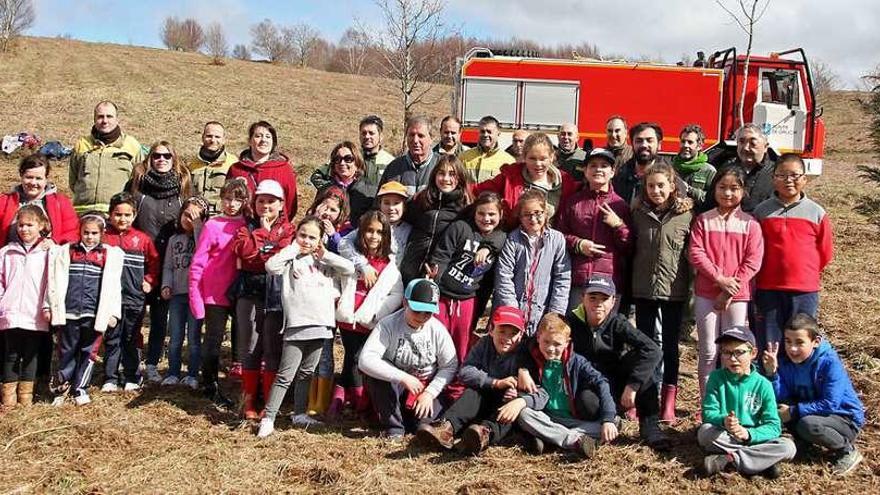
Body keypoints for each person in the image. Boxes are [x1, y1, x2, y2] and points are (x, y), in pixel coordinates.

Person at [256, 216, 355, 437]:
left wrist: (326, 255)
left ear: (320, 240)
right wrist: (292, 249)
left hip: (323, 325)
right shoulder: (291, 260)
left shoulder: (326, 262)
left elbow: (349, 268)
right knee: (286, 374)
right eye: (303, 235)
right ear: (295, 236)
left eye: (312, 237)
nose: (307, 241)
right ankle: (269, 417)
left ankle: (299, 413)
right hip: (297, 325)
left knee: (307, 372)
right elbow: (271, 266)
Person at [415, 306, 537, 455]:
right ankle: (447, 428)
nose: (507, 338)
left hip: (504, 406)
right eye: (502, 332)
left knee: (509, 408)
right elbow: (465, 371)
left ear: (521, 335)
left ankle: (484, 434)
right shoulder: (484, 344)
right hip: (483, 397)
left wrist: (518, 393)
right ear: (491, 330)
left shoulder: (525, 353)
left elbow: (534, 388)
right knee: (472, 392)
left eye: (513, 334)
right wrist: (495, 382)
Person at [566, 275, 669, 449]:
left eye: (604, 299)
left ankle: (650, 426)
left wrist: (633, 385)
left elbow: (653, 350)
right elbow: (539, 342)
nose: (598, 304)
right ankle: (608, 421)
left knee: (643, 363)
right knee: (587, 405)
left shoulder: (617, 322)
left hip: (617, 383)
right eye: (592, 298)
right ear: (582, 297)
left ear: (613, 301)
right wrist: (523, 370)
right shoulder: (570, 322)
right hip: (589, 384)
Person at [689, 166, 763, 403]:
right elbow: (696, 252)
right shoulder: (703, 220)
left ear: (743, 191)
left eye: (734, 188)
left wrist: (731, 288)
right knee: (709, 350)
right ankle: (708, 404)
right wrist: (719, 279)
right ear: (715, 189)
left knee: (733, 351)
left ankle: (732, 402)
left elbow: (753, 261)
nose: (727, 194)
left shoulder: (750, 224)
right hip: (706, 293)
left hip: (738, 297)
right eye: (722, 187)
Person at [426, 192, 507, 400]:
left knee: (461, 347)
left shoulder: (499, 238)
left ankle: (455, 391)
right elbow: (441, 256)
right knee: (435, 342)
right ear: (474, 212)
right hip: (443, 297)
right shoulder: (461, 228)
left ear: (500, 214)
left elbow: (501, 236)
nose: (486, 219)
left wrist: (487, 247)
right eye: (481, 213)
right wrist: (433, 286)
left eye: (491, 214)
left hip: (467, 300)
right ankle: (429, 386)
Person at [762, 313, 864, 476]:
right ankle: (804, 443)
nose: (792, 349)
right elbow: (784, 397)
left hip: (843, 419)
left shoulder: (829, 362)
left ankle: (847, 451)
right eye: (788, 342)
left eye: (799, 342)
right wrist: (773, 374)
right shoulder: (786, 362)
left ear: (816, 341)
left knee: (808, 425)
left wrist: (793, 412)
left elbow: (830, 403)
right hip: (809, 412)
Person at [630, 163, 694, 422]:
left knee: (669, 346)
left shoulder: (686, 215)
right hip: (643, 288)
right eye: (651, 186)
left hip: (673, 290)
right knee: (644, 346)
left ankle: (668, 401)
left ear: (672, 187)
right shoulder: (637, 213)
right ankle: (643, 398)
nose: (656, 190)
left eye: (661, 186)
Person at [752, 154, 833, 354]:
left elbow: (825, 252)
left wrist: (805, 272)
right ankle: (773, 383)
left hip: (804, 290)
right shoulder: (762, 212)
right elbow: (754, 248)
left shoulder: (816, 212)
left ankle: (800, 384)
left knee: (800, 342)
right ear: (773, 179)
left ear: (805, 179)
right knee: (770, 343)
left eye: (795, 175)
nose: (789, 180)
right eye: (782, 175)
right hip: (768, 288)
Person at [358, 278, 459, 439]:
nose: (421, 316)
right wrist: (403, 377)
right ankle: (394, 428)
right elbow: (366, 359)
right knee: (377, 376)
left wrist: (430, 393)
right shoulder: (388, 324)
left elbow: (450, 365)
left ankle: (409, 420)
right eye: (416, 310)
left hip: (424, 386)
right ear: (405, 302)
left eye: (427, 312)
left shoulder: (437, 330)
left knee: (422, 427)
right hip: (395, 385)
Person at [129, 140, 193, 385]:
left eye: (167, 155)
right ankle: (131, 361)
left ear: (174, 158)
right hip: (140, 261)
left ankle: (153, 362)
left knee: (159, 317)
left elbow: (192, 219)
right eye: (156, 155)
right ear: (149, 159)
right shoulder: (138, 188)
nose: (161, 160)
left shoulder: (183, 189)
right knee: (134, 316)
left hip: (171, 263)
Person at [232, 180, 295, 419]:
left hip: (278, 292)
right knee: (250, 345)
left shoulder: (289, 229)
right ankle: (248, 400)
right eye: (261, 201)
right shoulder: (244, 226)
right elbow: (245, 253)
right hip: (249, 290)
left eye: (271, 201)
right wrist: (262, 233)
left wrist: (264, 249)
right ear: (254, 203)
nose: (266, 205)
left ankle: (270, 401)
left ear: (281, 204)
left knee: (272, 346)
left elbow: (282, 255)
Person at [515, 313, 618, 458]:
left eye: (557, 344)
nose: (551, 348)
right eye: (546, 342)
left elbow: (602, 382)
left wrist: (608, 418)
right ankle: (573, 440)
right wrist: (522, 370)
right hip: (546, 417)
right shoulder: (531, 358)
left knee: (612, 424)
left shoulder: (577, 362)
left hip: (575, 420)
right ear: (538, 338)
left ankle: (552, 438)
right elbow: (517, 352)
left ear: (567, 342)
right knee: (523, 415)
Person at [48, 212, 124, 405]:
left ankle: (80, 388)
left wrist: (113, 312)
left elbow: (114, 286)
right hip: (69, 312)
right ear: (79, 232)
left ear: (102, 233)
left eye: (94, 233)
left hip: (93, 313)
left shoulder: (108, 255)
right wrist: (49, 305)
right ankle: (62, 387)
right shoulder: (67, 252)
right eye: (86, 232)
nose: (90, 237)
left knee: (88, 351)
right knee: (66, 350)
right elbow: (53, 282)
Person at [333, 211, 404, 419]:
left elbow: (396, 293)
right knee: (353, 357)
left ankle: (348, 398)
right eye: (369, 231)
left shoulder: (388, 265)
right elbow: (337, 281)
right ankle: (356, 402)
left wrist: (377, 315)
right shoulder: (352, 259)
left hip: (370, 319)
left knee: (359, 359)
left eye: (379, 232)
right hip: (348, 317)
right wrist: (339, 302)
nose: (373, 236)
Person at [699, 326, 795, 478]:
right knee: (705, 433)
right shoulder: (716, 378)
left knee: (788, 447)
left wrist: (749, 434)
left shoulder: (763, 384)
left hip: (755, 437)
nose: (732, 358)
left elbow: (773, 425)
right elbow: (708, 413)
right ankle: (761, 463)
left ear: (753, 353)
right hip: (727, 434)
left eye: (739, 352)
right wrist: (724, 421)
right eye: (726, 352)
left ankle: (731, 460)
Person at [190, 179, 250, 409]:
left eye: (237, 199)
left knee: (243, 338)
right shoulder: (213, 225)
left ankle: (243, 382)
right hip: (215, 293)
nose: (232, 204)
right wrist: (196, 299)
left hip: (241, 291)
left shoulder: (247, 225)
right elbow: (199, 262)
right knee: (213, 339)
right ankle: (210, 383)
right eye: (227, 199)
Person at [556, 148, 631, 311]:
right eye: (593, 165)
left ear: (612, 172)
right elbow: (559, 235)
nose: (598, 169)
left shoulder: (621, 206)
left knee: (604, 333)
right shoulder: (572, 202)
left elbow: (629, 246)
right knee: (576, 330)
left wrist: (618, 225)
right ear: (585, 171)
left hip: (609, 283)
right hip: (578, 280)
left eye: (604, 165)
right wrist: (578, 244)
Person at [101, 193, 160, 393]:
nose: (122, 219)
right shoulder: (103, 238)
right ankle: (110, 377)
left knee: (131, 336)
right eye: (118, 214)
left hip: (134, 298)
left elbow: (154, 264)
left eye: (127, 215)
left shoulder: (142, 239)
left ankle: (132, 376)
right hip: (110, 299)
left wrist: (150, 281)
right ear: (110, 215)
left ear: (134, 216)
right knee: (112, 337)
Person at [494, 189, 571, 337]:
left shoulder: (557, 240)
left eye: (538, 213)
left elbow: (563, 278)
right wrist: (513, 312)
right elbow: (504, 276)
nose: (533, 219)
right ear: (520, 217)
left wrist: (555, 314)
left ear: (545, 213)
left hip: (542, 311)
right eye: (527, 215)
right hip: (514, 311)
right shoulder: (513, 240)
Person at [0, 205, 52, 408]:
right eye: (21, 225)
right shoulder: (7, 252)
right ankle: (8, 399)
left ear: (41, 226)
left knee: (31, 355)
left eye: (30, 225)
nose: (25, 229)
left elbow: (52, 282)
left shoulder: (48, 252)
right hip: (11, 312)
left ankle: (26, 399)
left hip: (35, 313)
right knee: (11, 354)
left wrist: (48, 306)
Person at [474, 132, 579, 231]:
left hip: (551, 243)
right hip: (514, 240)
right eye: (532, 158)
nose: (538, 164)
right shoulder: (510, 177)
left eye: (543, 159)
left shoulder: (566, 183)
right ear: (524, 157)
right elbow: (474, 191)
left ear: (552, 157)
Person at [399, 155, 473, 285]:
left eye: (452, 174)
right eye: (441, 173)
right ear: (434, 175)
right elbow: (402, 218)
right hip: (410, 268)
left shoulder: (466, 207)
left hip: (440, 274)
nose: (446, 179)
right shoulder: (423, 198)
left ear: (460, 177)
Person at [159, 197, 209, 389]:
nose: (189, 220)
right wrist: (166, 285)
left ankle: (192, 374)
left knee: (194, 337)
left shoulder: (202, 237)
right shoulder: (173, 240)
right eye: (187, 215)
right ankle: (173, 372)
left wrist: (198, 227)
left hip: (196, 295)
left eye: (195, 217)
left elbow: (203, 249)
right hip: (177, 294)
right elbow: (168, 266)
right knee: (176, 336)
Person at [69, 100, 143, 214]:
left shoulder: (132, 145)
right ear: (94, 119)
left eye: (109, 116)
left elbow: (139, 182)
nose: (105, 121)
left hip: (116, 215)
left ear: (117, 119)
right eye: (100, 117)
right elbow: (73, 181)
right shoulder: (81, 144)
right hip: (83, 213)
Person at [0, 153, 78, 245]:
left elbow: (73, 232)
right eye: (29, 177)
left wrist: (54, 241)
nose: (33, 182)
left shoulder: (61, 202)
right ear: (21, 175)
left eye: (38, 178)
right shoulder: (4, 202)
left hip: (48, 257)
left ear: (46, 178)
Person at [226, 120, 298, 221]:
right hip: (241, 226)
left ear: (273, 142)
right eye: (258, 136)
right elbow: (228, 198)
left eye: (268, 137)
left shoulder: (285, 169)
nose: (263, 140)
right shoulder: (236, 169)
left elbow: (291, 203)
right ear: (250, 141)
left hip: (275, 229)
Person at [338, 181, 412, 277]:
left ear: (404, 206)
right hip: (366, 279)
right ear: (379, 204)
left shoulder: (410, 231)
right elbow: (344, 243)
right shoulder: (370, 225)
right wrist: (363, 264)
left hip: (395, 283)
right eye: (386, 203)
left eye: (396, 203)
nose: (391, 208)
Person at [309, 141, 377, 226]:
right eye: (337, 159)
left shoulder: (369, 191)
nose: (342, 163)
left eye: (348, 159)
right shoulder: (325, 190)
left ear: (357, 162)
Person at [379, 115, 439, 197]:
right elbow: (380, 202)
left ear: (431, 138)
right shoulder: (394, 168)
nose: (415, 140)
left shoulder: (441, 166)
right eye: (411, 135)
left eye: (420, 136)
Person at [724, 124, 776, 212]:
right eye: (741, 142)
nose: (746, 148)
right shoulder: (726, 171)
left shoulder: (776, 174)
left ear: (766, 147)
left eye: (753, 143)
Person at [613, 122, 667, 206]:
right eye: (639, 141)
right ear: (632, 144)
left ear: (659, 145)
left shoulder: (670, 176)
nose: (644, 145)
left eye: (649, 140)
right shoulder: (620, 175)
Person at [190, 121, 237, 215]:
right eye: (209, 136)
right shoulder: (191, 164)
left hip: (221, 217)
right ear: (202, 138)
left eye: (217, 137)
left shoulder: (233, 163)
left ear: (224, 139)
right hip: (196, 216)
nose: (213, 140)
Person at [459, 116, 515, 183]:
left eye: (489, 132)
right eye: (482, 131)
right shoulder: (464, 157)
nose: (485, 135)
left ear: (498, 134)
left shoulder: (508, 161)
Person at [672, 124, 716, 207]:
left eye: (690, 142)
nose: (685, 145)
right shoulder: (670, 168)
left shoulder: (709, 171)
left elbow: (713, 199)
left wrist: (689, 190)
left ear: (699, 146)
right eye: (683, 141)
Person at [359, 115, 396, 186]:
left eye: (371, 133)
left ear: (380, 136)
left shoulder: (390, 163)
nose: (367, 136)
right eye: (364, 133)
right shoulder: (350, 159)